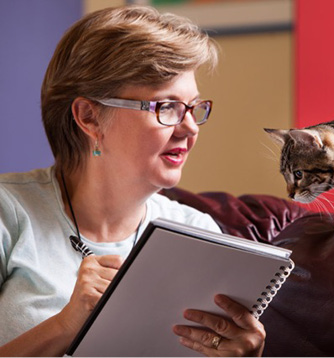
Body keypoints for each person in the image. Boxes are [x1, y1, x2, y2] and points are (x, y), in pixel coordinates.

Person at [0, 5, 266, 357]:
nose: (189, 129)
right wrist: (65, 326)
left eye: (194, 108)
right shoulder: (9, 212)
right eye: (166, 107)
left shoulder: (197, 232)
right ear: (89, 116)